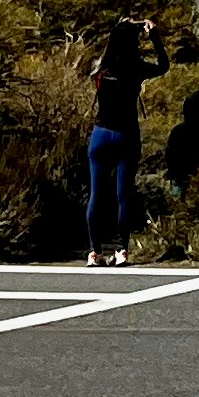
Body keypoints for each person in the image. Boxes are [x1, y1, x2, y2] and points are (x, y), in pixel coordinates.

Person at [85, 17, 155, 265]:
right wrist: (153, 35)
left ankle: (95, 252)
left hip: (101, 134)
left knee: (97, 195)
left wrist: (118, 26)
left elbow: (100, 55)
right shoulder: (136, 69)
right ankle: (121, 250)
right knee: (123, 195)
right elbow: (164, 65)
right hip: (126, 134)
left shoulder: (101, 68)